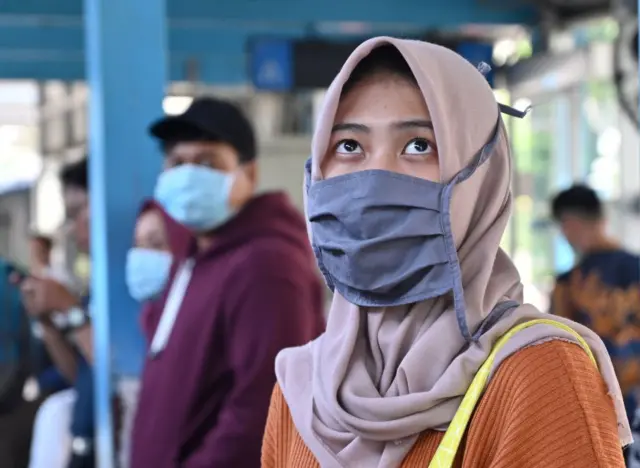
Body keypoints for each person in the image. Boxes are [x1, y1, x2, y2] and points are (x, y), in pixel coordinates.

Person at [262, 38, 630, 468]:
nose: (376, 177)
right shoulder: (300, 389)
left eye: (419, 145)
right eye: (348, 146)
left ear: (481, 176)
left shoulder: (540, 376)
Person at [130, 97, 326, 468]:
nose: (188, 175)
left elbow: (263, 407)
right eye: (177, 163)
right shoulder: (195, 256)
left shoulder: (266, 265)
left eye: (207, 163)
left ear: (248, 175)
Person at [549, 185, 640, 451]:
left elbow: (560, 353)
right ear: (603, 218)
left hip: (597, 412)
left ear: (570, 224)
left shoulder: (568, 286)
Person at [22, 158, 95, 468]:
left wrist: (71, 311)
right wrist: (48, 324)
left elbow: (117, 377)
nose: (73, 226)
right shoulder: (95, 290)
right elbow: (80, 374)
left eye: (79, 211)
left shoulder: (133, 287)